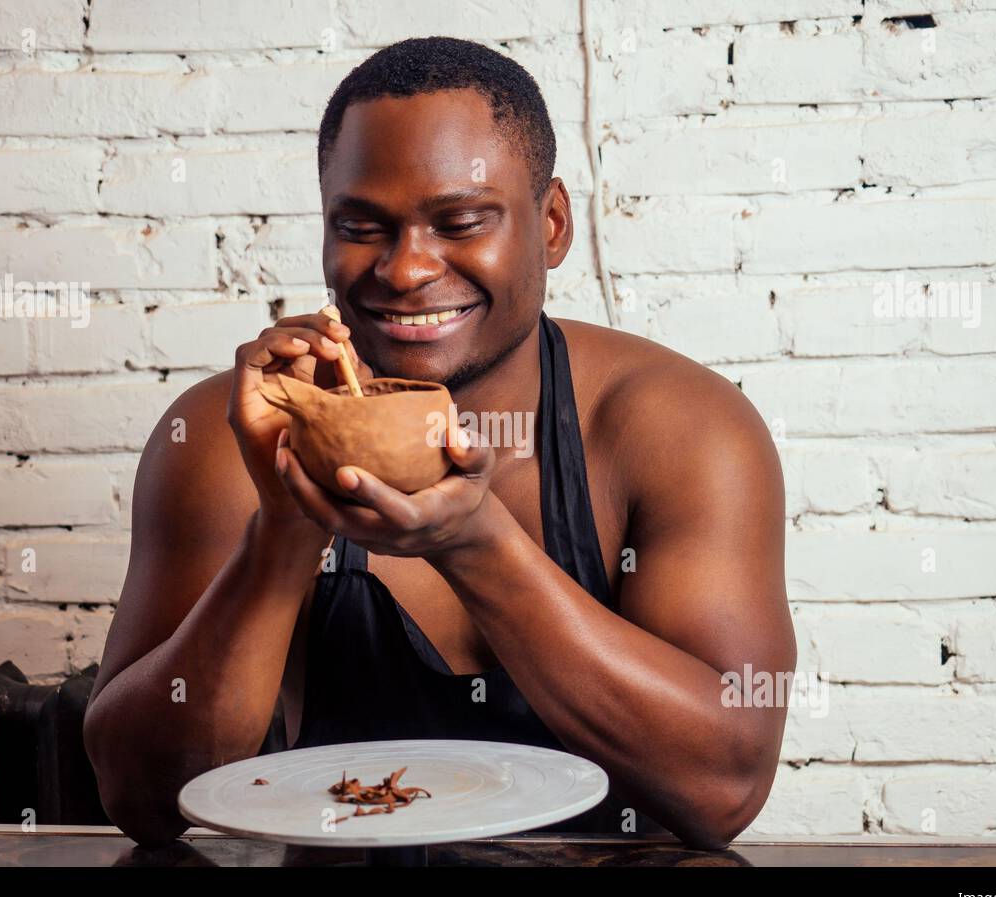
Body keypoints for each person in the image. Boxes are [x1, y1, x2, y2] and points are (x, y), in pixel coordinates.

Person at [84, 36, 796, 849]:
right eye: (361, 226)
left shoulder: (680, 428)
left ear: (553, 224)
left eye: (459, 221)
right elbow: (139, 797)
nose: (405, 270)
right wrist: (283, 531)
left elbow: (726, 787)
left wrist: (476, 543)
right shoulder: (234, 433)